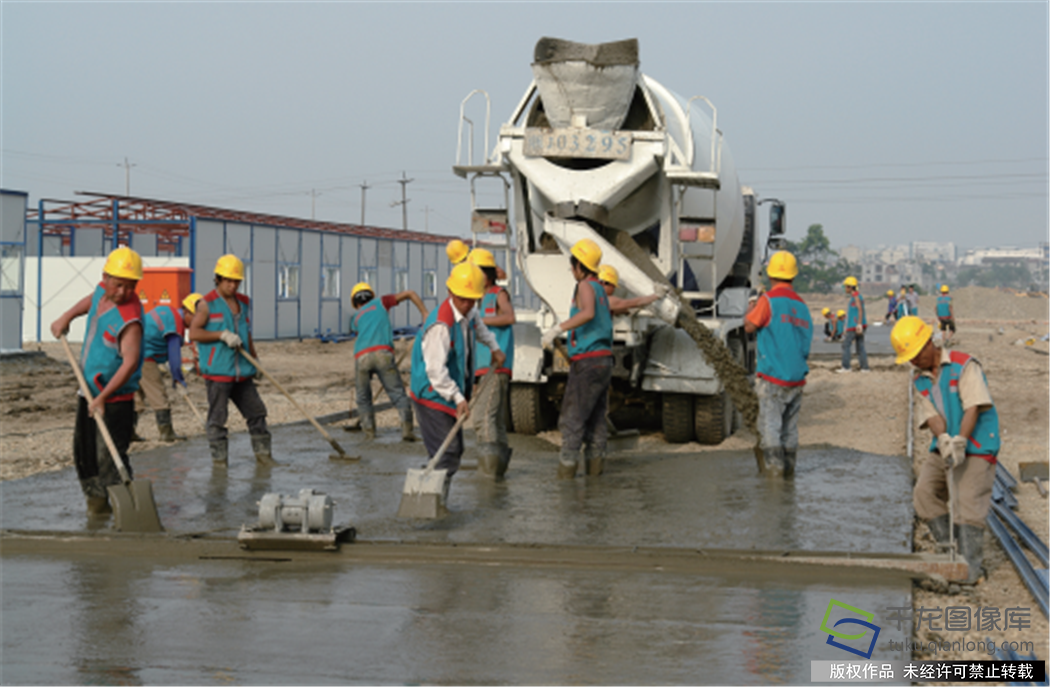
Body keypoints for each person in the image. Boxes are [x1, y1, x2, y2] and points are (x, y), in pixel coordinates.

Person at [891, 316, 998, 585]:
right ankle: (949, 549)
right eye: (909, 358)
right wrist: (945, 440)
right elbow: (932, 415)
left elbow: (972, 405)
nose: (914, 361)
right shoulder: (920, 379)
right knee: (924, 494)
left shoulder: (964, 365)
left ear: (930, 343)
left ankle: (969, 569)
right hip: (945, 445)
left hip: (976, 445)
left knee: (966, 504)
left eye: (916, 354)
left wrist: (960, 440)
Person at [50, 247, 145, 516]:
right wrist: (66, 317)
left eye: (130, 286)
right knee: (84, 453)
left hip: (114, 400)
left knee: (110, 459)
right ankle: (96, 506)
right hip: (88, 392)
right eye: (117, 284)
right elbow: (91, 299)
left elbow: (129, 363)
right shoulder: (101, 293)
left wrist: (103, 398)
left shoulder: (130, 320)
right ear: (105, 278)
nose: (122, 292)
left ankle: (124, 511)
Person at [409, 261, 505, 503]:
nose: (468, 304)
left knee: (454, 449)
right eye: (463, 299)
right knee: (447, 452)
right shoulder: (441, 325)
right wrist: (458, 397)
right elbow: (435, 371)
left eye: (473, 299)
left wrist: (494, 347)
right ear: (451, 292)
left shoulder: (468, 310)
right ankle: (431, 502)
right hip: (432, 394)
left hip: (450, 392)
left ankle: (437, 496)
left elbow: (480, 327)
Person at [189, 254, 275, 468]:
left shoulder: (244, 303)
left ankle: (264, 458)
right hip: (219, 372)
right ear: (218, 279)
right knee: (218, 419)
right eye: (228, 280)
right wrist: (220, 335)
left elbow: (247, 334)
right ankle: (220, 465)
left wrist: (256, 361)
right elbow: (194, 333)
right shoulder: (206, 304)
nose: (232, 285)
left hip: (243, 371)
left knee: (257, 413)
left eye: (236, 281)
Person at [540, 239, 614, 478]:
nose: (572, 271)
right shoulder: (601, 287)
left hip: (588, 360)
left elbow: (588, 313)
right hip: (603, 360)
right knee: (595, 421)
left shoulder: (584, 285)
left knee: (572, 419)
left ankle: (566, 481)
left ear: (580, 266)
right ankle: (595, 479)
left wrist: (557, 329)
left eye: (573, 266)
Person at [744, 251, 812, 477]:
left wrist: (752, 305)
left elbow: (749, 326)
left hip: (773, 377)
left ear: (770, 275)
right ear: (793, 276)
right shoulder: (802, 306)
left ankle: (774, 480)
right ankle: (789, 474)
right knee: (789, 430)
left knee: (770, 429)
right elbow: (804, 344)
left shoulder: (768, 301)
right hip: (797, 379)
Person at [349, 281, 427, 441]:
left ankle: (369, 432)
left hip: (361, 357)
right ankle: (407, 431)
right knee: (397, 393)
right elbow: (410, 293)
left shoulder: (355, 317)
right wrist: (425, 313)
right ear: (371, 296)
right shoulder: (382, 302)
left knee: (363, 397)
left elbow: (360, 334)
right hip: (383, 353)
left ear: (356, 303)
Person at [468, 248, 516, 477]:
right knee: (493, 419)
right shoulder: (476, 300)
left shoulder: (499, 294)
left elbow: (509, 317)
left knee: (483, 417)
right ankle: (498, 471)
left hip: (496, 367)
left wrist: (480, 320)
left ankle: (489, 473)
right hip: (482, 367)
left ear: (485, 275)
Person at [133, 294, 199, 442]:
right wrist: (178, 379)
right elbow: (174, 355)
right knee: (158, 393)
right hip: (144, 356)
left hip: (132, 353)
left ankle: (128, 432)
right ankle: (166, 432)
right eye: (196, 317)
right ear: (187, 312)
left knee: (136, 395)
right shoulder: (175, 324)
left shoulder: (168, 312)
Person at [838, 276, 869, 373]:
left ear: (851, 287)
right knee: (860, 346)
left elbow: (860, 309)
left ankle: (846, 367)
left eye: (846, 286)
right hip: (858, 324)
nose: (845, 288)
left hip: (854, 325)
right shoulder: (856, 296)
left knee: (846, 345)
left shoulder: (855, 296)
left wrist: (858, 324)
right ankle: (864, 368)